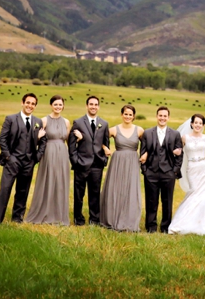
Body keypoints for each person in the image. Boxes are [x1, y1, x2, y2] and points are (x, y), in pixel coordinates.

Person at [0, 93, 47, 224]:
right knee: (5, 189)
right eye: (28, 102)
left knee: (23, 191)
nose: (30, 106)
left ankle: (17, 218)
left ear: (35, 106)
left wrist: (37, 158)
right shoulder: (11, 119)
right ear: (22, 103)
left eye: (33, 104)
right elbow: (2, 139)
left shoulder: (38, 122)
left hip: (29, 162)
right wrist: (8, 157)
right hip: (12, 161)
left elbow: (43, 142)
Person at [99, 104, 146, 232]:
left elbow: (149, 144)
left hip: (132, 161)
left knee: (130, 189)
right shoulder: (114, 130)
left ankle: (129, 220)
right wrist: (105, 148)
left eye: (130, 114)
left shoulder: (139, 130)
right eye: (126, 114)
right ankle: (112, 217)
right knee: (116, 188)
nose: (128, 116)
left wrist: (145, 154)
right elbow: (99, 139)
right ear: (121, 114)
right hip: (117, 161)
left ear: (134, 116)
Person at [25, 95, 70, 225]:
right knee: (48, 181)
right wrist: (37, 137)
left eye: (60, 105)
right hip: (48, 153)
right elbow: (34, 139)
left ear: (63, 106)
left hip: (62, 154)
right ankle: (43, 212)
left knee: (60, 183)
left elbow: (68, 141)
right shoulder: (44, 120)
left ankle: (58, 214)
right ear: (51, 105)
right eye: (55, 104)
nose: (58, 107)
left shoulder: (66, 122)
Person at [68, 95, 110, 226]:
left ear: (98, 106)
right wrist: (75, 161)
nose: (93, 107)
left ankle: (94, 219)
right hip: (81, 163)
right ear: (87, 106)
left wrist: (104, 160)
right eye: (91, 104)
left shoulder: (104, 124)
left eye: (96, 104)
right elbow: (71, 144)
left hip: (97, 165)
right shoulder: (78, 122)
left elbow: (106, 143)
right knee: (79, 194)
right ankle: (78, 219)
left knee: (95, 193)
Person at [140, 106, 183, 233]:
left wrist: (174, 171)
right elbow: (142, 153)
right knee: (151, 201)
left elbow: (180, 154)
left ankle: (165, 227)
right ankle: (151, 227)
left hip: (168, 173)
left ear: (168, 118)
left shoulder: (175, 134)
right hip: (151, 172)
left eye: (165, 116)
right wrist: (145, 171)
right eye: (160, 115)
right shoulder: (147, 133)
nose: (162, 118)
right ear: (156, 116)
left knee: (167, 202)